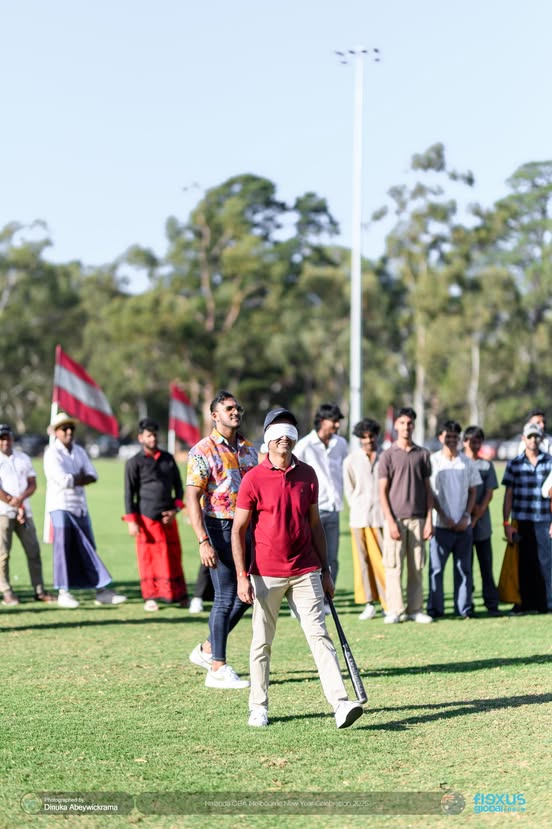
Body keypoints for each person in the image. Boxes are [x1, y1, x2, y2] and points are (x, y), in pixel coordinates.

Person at [232, 408, 363, 729]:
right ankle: (258, 706)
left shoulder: (307, 474)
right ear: (267, 438)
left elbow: (315, 525)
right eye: (278, 433)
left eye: (289, 433)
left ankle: (340, 703)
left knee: (319, 635)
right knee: (261, 641)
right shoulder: (253, 479)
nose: (284, 439)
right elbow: (239, 530)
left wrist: (326, 570)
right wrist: (241, 576)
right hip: (265, 573)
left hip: (306, 570)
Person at [186, 390, 258, 689]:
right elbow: (192, 497)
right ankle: (217, 667)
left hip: (249, 528)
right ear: (214, 415)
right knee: (225, 596)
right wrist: (203, 539)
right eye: (228, 408)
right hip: (219, 528)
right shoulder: (202, 450)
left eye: (237, 408)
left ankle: (206, 649)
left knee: (249, 593)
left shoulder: (249, 448)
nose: (235, 412)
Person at [43, 412, 127, 609]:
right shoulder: (51, 453)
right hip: (60, 506)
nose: (69, 432)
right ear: (56, 432)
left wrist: (77, 478)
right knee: (63, 549)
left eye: (71, 428)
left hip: (79, 506)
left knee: (88, 546)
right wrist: (78, 477)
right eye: (64, 428)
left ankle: (100, 591)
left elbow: (93, 475)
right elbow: (64, 481)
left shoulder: (79, 451)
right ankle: (63, 591)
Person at [123, 418, 188, 612]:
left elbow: (179, 488)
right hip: (146, 519)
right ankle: (150, 597)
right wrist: (132, 521)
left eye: (154, 435)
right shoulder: (134, 462)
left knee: (173, 557)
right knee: (149, 559)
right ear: (141, 437)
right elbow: (129, 494)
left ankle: (178, 595)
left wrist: (175, 511)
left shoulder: (168, 458)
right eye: (149, 435)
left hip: (168, 518)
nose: (153, 439)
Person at [378, 407, 434, 624]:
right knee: (393, 567)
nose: (406, 427)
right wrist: (390, 521)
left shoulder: (423, 454)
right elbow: (382, 491)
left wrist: (429, 519)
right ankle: (395, 610)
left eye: (409, 423)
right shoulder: (388, 455)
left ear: (414, 425)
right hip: (395, 519)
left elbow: (429, 491)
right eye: (402, 423)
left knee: (417, 566)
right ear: (396, 425)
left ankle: (415, 609)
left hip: (418, 519)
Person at [427, 420, 481, 620]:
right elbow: (430, 492)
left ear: (459, 440)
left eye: (454, 437)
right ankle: (435, 609)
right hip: (440, 525)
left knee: (464, 569)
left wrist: (467, 516)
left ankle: (464, 608)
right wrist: (443, 515)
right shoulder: (433, 461)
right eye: (447, 436)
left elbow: (473, 490)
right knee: (436, 570)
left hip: (463, 525)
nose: (451, 440)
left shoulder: (466, 462)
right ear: (441, 437)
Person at [294, 403, 349, 591]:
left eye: (337, 422)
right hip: (311, 510)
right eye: (333, 421)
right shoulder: (304, 445)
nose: (336, 425)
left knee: (331, 557)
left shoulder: (341, 444)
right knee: (308, 556)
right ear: (322, 421)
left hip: (334, 508)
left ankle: (327, 599)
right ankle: (305, 597)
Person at [0, 423, 55, 606]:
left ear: (12, 438)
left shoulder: (23, 458)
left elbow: (32, 483)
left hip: (25, 511)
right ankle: (6, 591)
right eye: (1, 439)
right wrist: (11, 501)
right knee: (3, 555)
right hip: (3, 512)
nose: (4, 442)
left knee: (33, 551)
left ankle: (39, 590)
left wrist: (20, 501)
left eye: (6, 438)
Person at [503, 421, 552, 614]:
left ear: (540, 438)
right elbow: (508, 495)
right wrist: (506, 523)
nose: (533, 440)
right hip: (522, 519)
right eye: (529, 436)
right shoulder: (514, 464)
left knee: (546, 562)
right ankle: (524, 602)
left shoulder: (549, 461)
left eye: (536, 436)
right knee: (523, 563)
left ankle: (547, 603)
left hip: (544, 519)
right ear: (523, 439)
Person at [342, 418, 386, 620]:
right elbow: (350, 490)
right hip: (359, 518)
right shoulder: (351, 460)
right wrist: (358, 507)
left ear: (376, 435)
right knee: (363, 562)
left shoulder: (385, 457)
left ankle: (388, 602)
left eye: (371, 436)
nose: (368, 440)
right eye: (364, 437)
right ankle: (369, 603)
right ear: (359, 439)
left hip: (382, 518)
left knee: (384, 562)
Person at [462, 425, 502, 616]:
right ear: (465, 442)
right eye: (472, 441)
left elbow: (489, 492)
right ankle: (467, 604)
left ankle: (491, 603)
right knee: (466, 567)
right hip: (463, 524)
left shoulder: (487, 465)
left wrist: (477, 515)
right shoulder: (460, 463)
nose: (475, 444)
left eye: (478, 441)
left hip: (482, 524)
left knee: (486, 565)